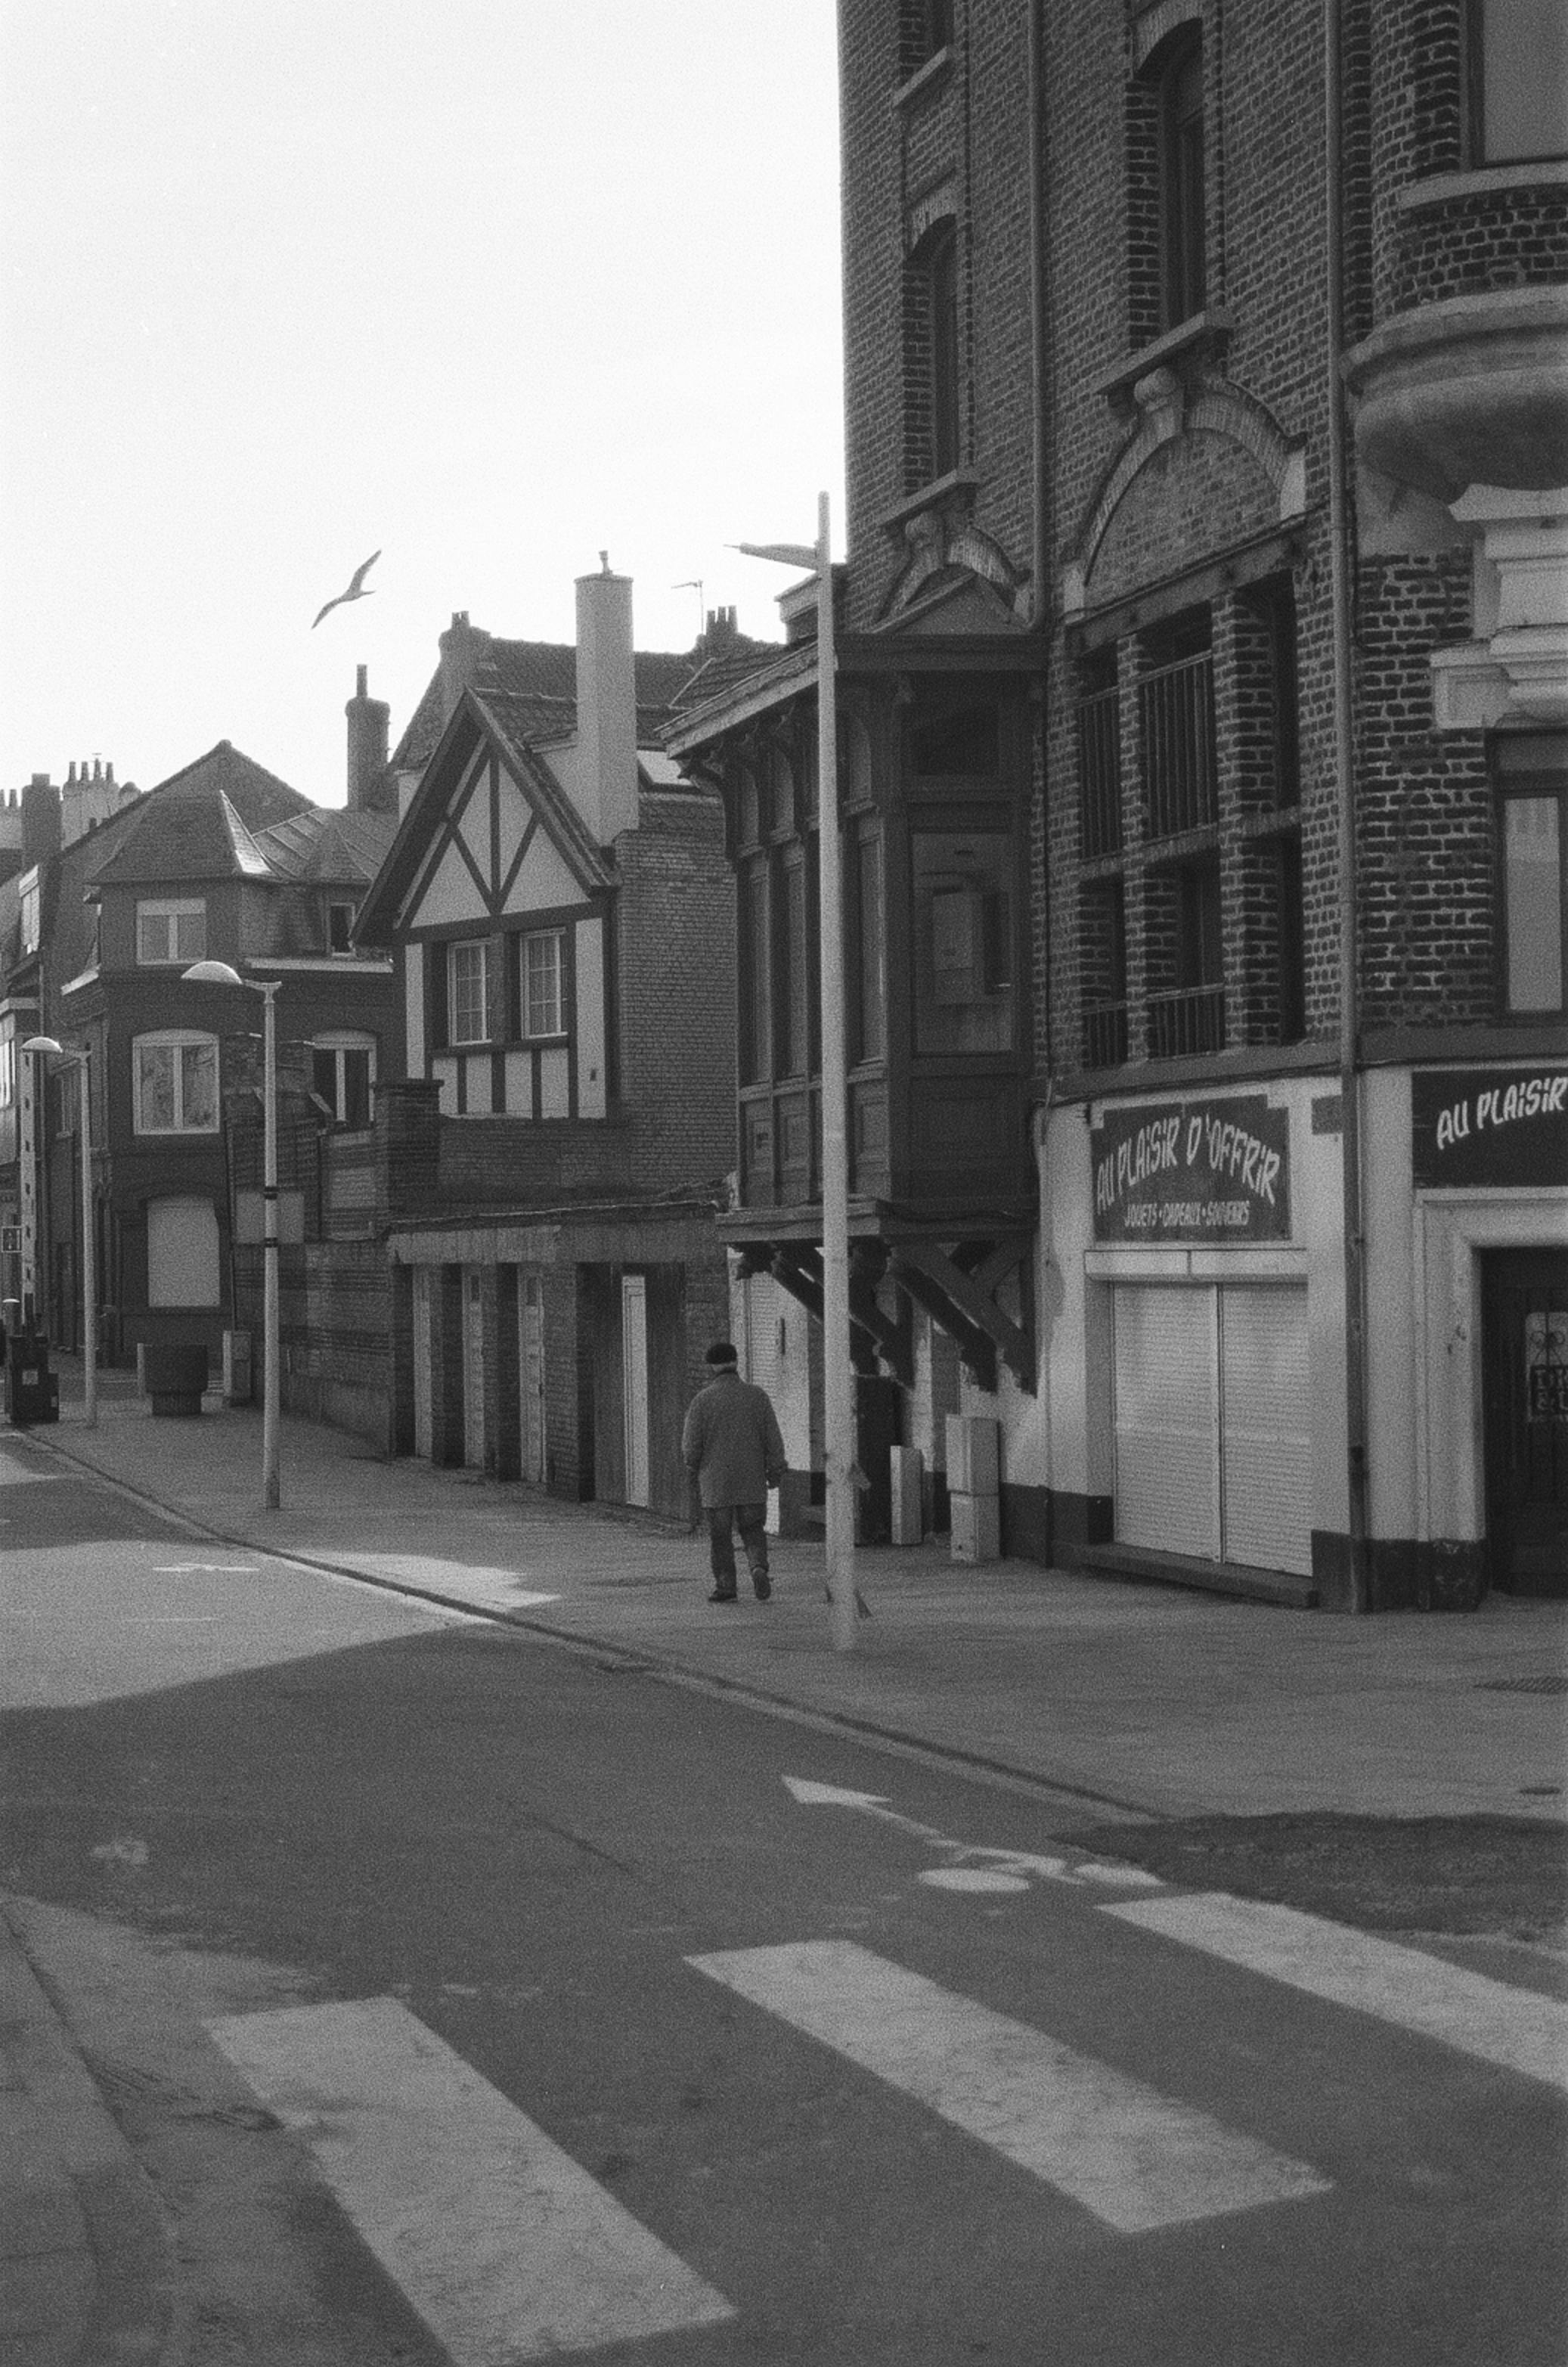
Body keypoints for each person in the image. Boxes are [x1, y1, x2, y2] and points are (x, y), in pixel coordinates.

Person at [681, 1341, 787, 1602]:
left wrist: (692, 1467)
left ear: (712, 1367)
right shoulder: (757, 1397)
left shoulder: (702, 1401)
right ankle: (758, 1567)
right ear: (736, 1362)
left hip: (716, 1482)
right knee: (752, 1529)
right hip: (751, 1479)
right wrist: (775, 1470)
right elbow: (773, 1439)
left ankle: (726, 1587)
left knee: (720, 1537)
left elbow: (691, 1445)